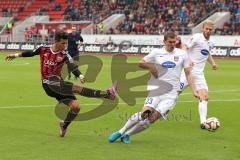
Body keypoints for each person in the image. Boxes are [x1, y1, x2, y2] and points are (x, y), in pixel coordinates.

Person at [5, 31, 117, 137]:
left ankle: (64, 125)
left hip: (59, 84)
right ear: (56, 41)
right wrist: (15, 55)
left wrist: (80, 75)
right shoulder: (44, 49)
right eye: (63, 43)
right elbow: (31, 53)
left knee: (76, 107)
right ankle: (107, 94)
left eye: (66, 43)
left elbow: (72, 65)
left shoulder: (64, 54)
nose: (65, 45)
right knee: (76, 88)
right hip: (48, 84)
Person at [108, 32, 198, 144]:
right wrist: (150, 66)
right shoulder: (157, 52)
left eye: (174, 42)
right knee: (144, 113)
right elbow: (141, 63)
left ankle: (127, 135)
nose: (172, 44)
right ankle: (120, 131)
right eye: (170, 42)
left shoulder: (182, 54)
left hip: (171, 94)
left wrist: (194, 90)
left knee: (152, 119)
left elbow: (188, 73)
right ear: (164, 41)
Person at [178, 20, 218, 129]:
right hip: (188, 72)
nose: (208, 31)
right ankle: (158, 109)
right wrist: (188, 60)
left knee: (204, 97)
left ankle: (203, 122)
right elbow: (184, 48)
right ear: (203, 28)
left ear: (212, 30)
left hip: (199, 75)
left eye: (210, 29)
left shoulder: (211, 42)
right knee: (173, 94)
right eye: (206, 29)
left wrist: (213, 63)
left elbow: (207, 53)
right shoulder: (197, 37)